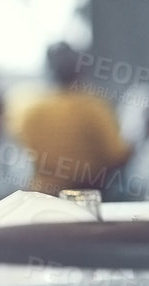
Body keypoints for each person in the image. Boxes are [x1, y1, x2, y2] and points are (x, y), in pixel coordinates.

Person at [8, 42, 132, 195]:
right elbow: (116, 155)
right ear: (80, 68)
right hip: (85, 195)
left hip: (41, 194)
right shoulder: (92, 107)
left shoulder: (29, 108)